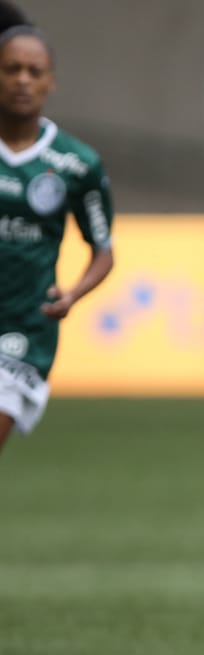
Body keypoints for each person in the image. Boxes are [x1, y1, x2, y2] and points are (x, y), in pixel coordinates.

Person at [0, 24, 114, 456]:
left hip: (23, 329)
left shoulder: (75, 164)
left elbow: (103, 251)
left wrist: (73, 294)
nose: (23, 80)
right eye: (12, 69)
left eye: (34, 70)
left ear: (51, 81)